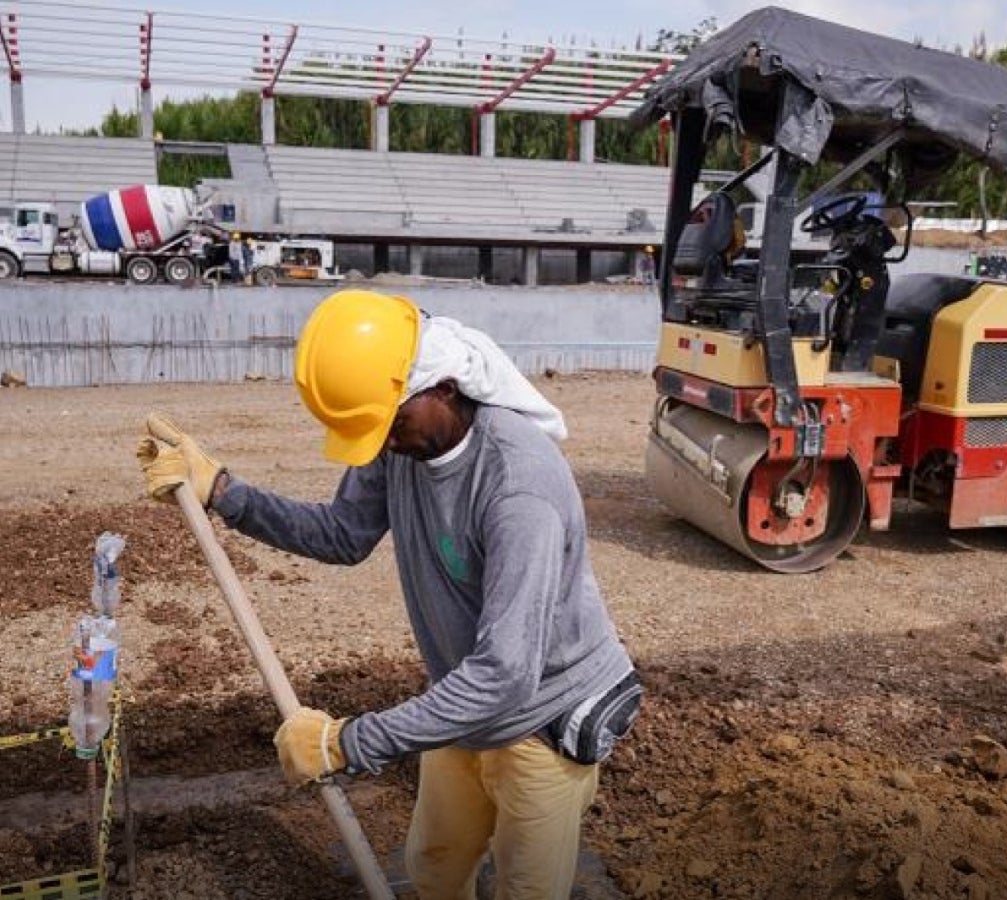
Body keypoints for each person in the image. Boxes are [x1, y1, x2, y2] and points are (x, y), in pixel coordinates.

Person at [136, 289, 642, 900]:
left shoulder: (518, 487)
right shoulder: (401, 435)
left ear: (445, 389)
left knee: (527, 890)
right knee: (434, 866)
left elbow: (506, 674)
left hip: (542, 717)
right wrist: (224, 492)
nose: (383, 442)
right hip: (463, 701)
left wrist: (347, 743)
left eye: (390, 423)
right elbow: (342, 534)